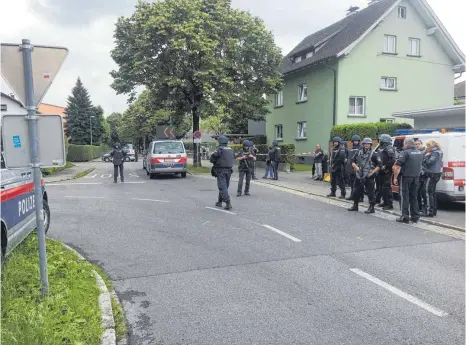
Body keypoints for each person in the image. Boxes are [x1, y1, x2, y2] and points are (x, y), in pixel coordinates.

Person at [393, 138, 424, 223]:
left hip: (406, 177)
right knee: (414, 197)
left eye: (404, 143)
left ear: (406, 144)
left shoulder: (405, 152)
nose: (403, 145)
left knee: (404, 197)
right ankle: (415, 216)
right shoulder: (419, 152)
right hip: (416, 177)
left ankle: (405, 216)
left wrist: (395, 177)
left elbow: (397, 166)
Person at [347, 137, 382, 213]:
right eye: (365, 144)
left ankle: (372, 207)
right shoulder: (358, 152)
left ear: (370, 145)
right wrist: (355, 166)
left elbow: (379, 165)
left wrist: (372, 173)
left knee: (370, 192)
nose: (366, 145)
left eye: (368, 144)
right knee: (356, 190)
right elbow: (352, 161)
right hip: (359, 174)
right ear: (363, 144)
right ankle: (355, 205)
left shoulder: (374, 154)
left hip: (369, 175)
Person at [210, 135, 235, 210]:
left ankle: (228, 202)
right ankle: (219, 201)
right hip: (229, 171)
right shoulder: (230, 149)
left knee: (222, 186)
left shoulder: (220, 149)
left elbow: (212, 159)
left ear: (220, 141)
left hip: (221, 170)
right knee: (225, 186)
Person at [422, 140, 443, 217]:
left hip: (433, 174)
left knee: (430, 193)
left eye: (428, 146)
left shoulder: (435, 153)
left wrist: (426, 156)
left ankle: (430, 211)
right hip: (436, 173)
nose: (427, 148)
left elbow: (429, 162)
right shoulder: (439, 151)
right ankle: (434, 211)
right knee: (433, 193)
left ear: (432, 146)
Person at [376, 134, 396, 210]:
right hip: (381, 170)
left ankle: (389, 204)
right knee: (382, 187)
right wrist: (380, 165)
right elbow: (379, 157)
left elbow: (392, 159)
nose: (379, 141)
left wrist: (386, 167)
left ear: (384, 140)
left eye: (380, 140)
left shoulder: (389, 148)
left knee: (387, 187)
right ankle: (385, 202)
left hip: (387, 171)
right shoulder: (381, 148)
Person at [346, 135, 362, 201]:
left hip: (358, 168)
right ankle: (352, 195)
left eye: (356, 141)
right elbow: (349, 158)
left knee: (359, 184)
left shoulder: (361, 148)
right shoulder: (351, 148)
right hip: (351, 168)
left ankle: (360, 197)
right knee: (352, 183)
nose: (355, 142)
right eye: (354, 141)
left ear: (358, 141)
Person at [416, 139, 427, 213]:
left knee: (423, 192)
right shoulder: (416, 152)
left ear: (422, 144)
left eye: (418, 144)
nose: (417, 145)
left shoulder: (424, 152)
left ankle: (424, 208)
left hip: (423, 175)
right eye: (416, 144)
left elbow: (424, 164)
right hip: (418, 174)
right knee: (417, 192)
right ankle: (419, 207)